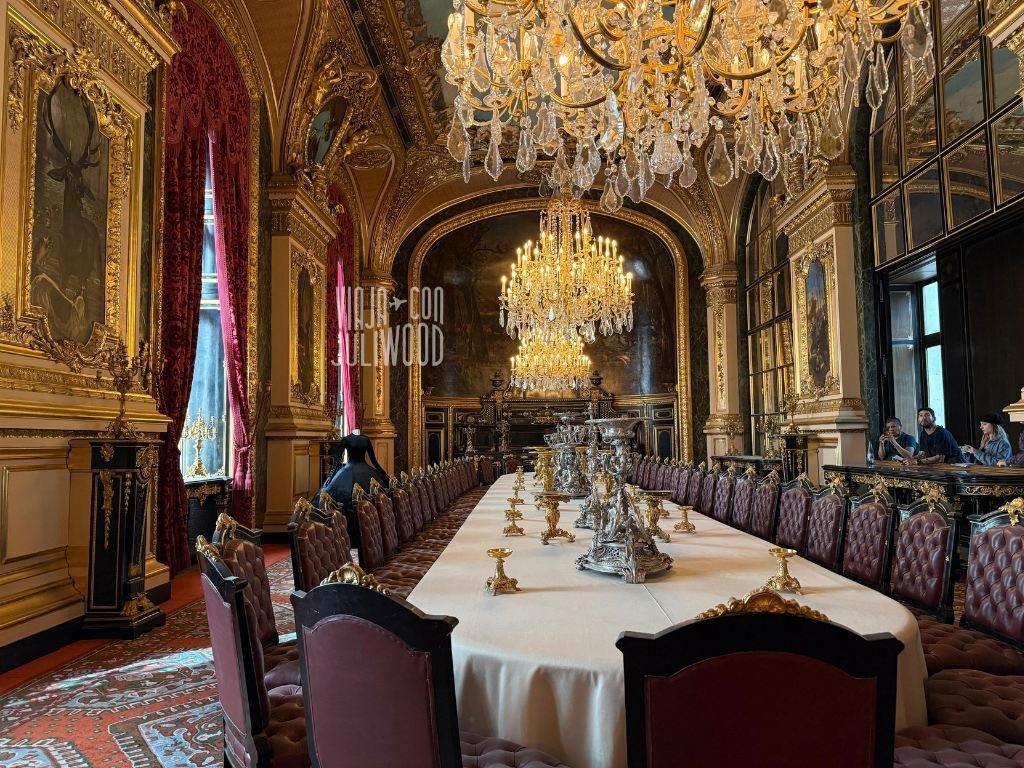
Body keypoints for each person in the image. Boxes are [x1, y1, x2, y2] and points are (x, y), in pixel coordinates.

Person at [318, 429, 388, 549]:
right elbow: (337, 460)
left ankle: (370, 533)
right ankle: (343, 534)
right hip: (354, 472)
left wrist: (383, 474)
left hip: (355, 471)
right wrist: (330, 477)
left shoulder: (365, 439)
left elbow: (373, 459)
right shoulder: (347, 439)